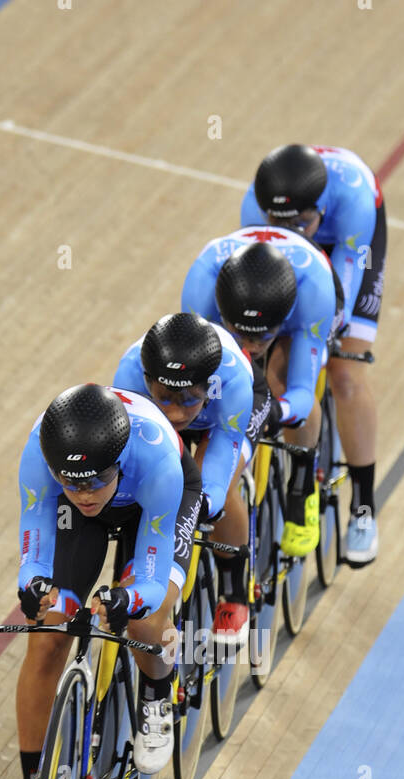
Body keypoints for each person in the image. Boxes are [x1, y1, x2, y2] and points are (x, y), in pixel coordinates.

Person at [5, 382, 201, 779]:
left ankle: (156, 693)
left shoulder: (155, 464)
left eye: (94, 482)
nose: (83, 493)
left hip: (150, 510)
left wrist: (126, 601)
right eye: (71, 483)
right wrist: (33, 588)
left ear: (118, 463)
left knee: (143, 621)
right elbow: (35, 543)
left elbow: (151, 585)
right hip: (84, 526)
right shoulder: (39, 457)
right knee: (49, 633)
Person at [241, 143, 386, 565]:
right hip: (287, 258)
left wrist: (319, 334)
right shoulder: (254, 205)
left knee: (344, 373)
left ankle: (363, 507)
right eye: (282, 222)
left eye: (302, 222)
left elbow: (340, 295)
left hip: (350, 243)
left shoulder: (352, 202)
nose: (295, 230)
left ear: (319, 206)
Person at [114, 311, 270, 645]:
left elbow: (221, 451)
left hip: (222, 418)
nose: (175, 412)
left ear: (208, 386)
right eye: (165, 397)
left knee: (220, 491)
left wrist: (202, 503)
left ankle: (234, 591)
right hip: (166, 428)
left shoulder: (230, 381)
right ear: (146, 379)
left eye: (187, 400)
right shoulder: (129, 375)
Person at [182, 230, 337, 557]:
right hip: (232, 294)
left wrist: (277, 411)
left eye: (260, 338)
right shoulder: (203, 283)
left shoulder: (312, 295)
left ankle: (303, 486)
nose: (250, 348)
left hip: (310, 296)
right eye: (239, 335)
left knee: (284, 381)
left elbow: (302, 392)